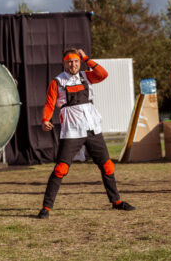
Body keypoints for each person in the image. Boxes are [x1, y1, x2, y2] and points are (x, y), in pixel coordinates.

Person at [37, 48, 135, 219]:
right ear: (64, 63)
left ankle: (116, 202)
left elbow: (103, 74)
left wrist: (86, 58)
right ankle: (46, 207)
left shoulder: (86, 75)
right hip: (72, 131)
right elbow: (49, 103)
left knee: (107, 166)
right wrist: (46, 119)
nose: (73, 64)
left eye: (76, 61)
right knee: (61, 169)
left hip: (92, 127)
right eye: (69, 61)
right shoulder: (58, 82)